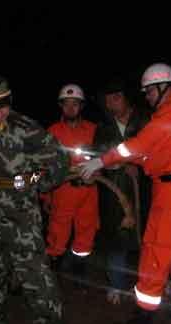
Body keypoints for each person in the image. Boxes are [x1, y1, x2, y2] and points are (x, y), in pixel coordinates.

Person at [79, 63, 171, 324]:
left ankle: (144, 316)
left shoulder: (167, 115)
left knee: (156, 250)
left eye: (148, 92)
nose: (146, 97)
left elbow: (137, 144)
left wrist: (101, 160)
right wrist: (138, 160)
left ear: (161, 87)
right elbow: (157, 151)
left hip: (170, 192)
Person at [0, 75, 71, 324]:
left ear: (9, 102)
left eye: (1, 105)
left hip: (23, 211)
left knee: (33, 273)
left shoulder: (25, 128)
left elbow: (59, 160)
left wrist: (39, 184)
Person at [94, 77, 150, 304]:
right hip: (114, 194)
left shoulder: (146, 121)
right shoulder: (104, 128)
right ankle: (116, 285)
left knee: (151, 239)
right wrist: (119, 165)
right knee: (117, 239)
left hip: (147, 191)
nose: (111, 104)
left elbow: (159, 150)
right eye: (107, 100)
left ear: (127, 98)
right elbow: (99, 156)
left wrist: (139, 166)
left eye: (116, 98)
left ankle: (157, 284)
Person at [43, 84, 99, 291]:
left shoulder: (94, 130)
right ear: (61, 106)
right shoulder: (52, 132)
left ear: (81, 106)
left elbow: (105, 159)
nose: (70, 109)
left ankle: (79, 278)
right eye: (66, 105)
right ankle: (51, 279)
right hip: (62, 191)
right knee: (57, 237)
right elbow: (45, 168)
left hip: (88, 191)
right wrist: (47, 198)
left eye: (75, 104)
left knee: (85, 236)